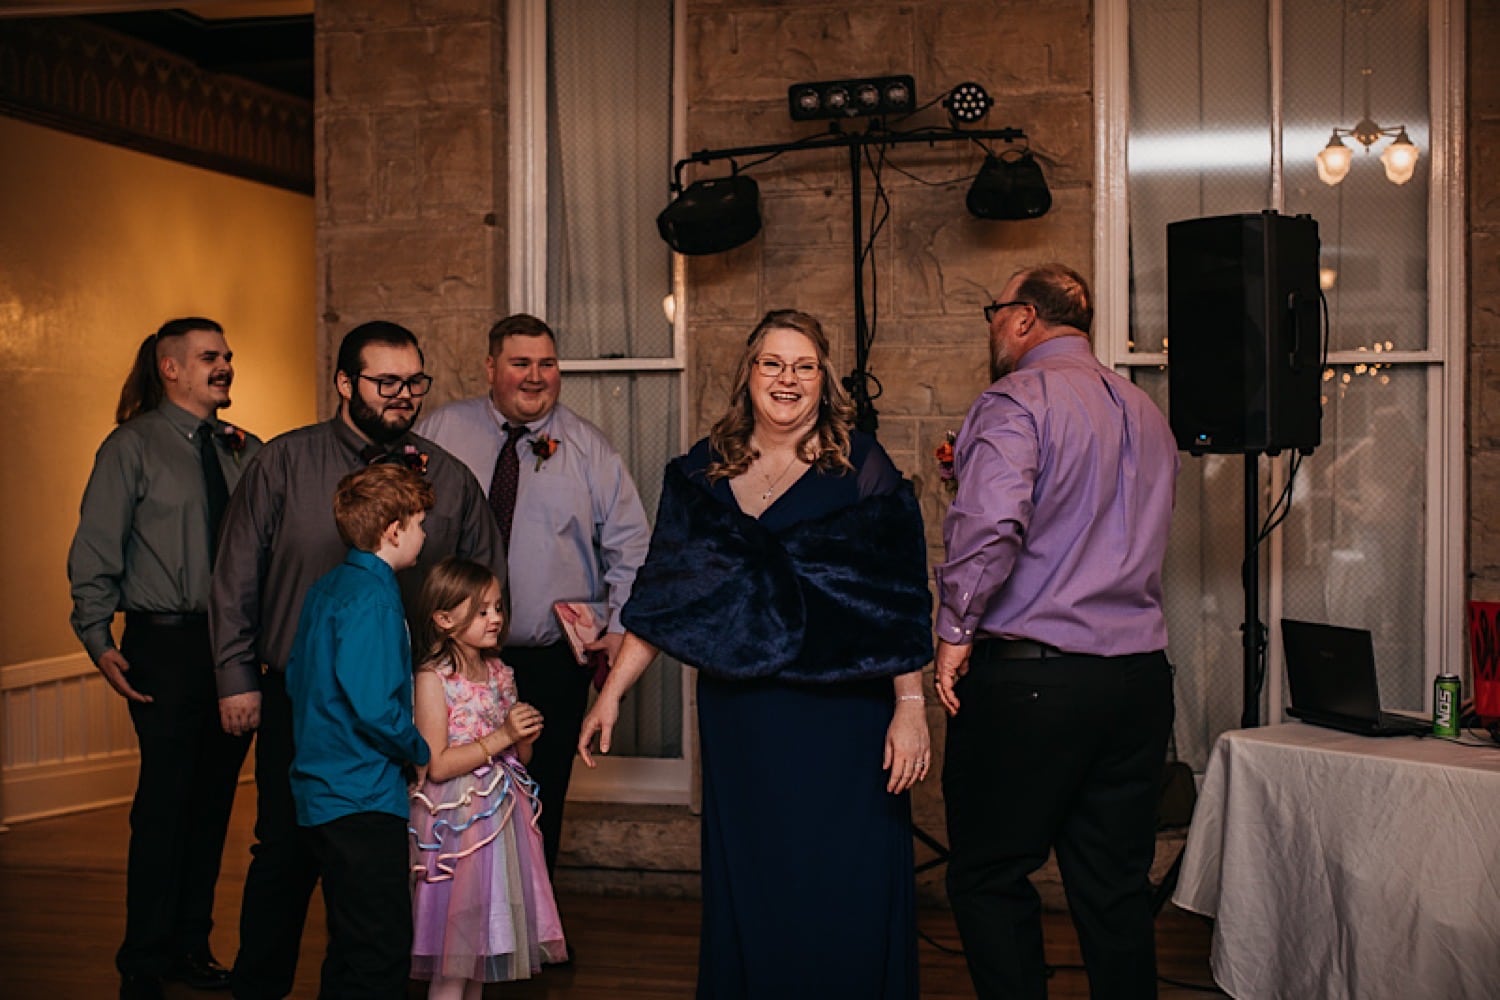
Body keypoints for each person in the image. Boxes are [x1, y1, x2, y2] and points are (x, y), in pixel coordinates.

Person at [577, 309, 933, 999]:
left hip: (843, 719)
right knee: (757, 880)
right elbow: (664, 596)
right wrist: (612, 692)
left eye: (803, 366)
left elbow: (898, 600)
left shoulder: (861, 465)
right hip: (743, 716)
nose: (787, 379)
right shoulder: (700, 474)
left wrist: (909, 707)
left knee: (843, 880)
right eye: (773, 363)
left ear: (823, 379)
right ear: (749, 372)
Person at [211, 320, 505, 1000]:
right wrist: (236, 677)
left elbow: (486, 583)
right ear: (346, 383)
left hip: (413, 711)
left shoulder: (450, 478)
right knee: (286, 858)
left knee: (378, 881)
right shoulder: (284, 463)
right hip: (303, 704)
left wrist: (462, 698)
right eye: (387, 382)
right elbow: (233, 577)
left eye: (415, 382)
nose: (404, 395)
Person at [933, 264, 1178, 1000]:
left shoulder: (1017, 399)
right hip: (1139, 680)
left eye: (992, 311)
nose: (991, 325)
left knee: (989, 874)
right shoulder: (1144, 411)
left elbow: (993, 526)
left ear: (1022, 318)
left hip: (1035, 679)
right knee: (1113, 887)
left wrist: (954, 630)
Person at [68, 317, 259, 1000]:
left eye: (228, 355)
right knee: (164, 807)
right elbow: (95, 549)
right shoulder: (131, 447)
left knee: (212, 808)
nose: (225, 365)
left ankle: (190, 947)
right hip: (167, 644)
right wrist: (98, 639)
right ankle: (143, 960)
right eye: (211, 356)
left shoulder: (245, 450)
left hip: (235, 648)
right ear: (170, 367)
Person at [418, 313, 649, 875]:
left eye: (547, 364)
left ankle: (528, 923)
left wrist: (620, 628)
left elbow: (632, 547)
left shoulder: (589, 448)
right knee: (443, 789)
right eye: (521, 363)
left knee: (536, 796)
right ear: (491, 367)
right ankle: (448, 913)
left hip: (547, 662)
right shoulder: (440, 433)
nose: (535, 376)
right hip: (451, 660)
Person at [284, 463, 434, 998]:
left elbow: (298, 677)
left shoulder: (329, 587)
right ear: (393, 530)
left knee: (349, 945)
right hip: (360, 794)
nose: (424, 535)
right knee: (381, 950)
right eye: (419, 523)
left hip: (323, 788)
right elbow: (374, 707)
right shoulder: (373, 598)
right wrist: (420, 749)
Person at [408, 557, 568, 999]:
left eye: (498, 607)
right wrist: (502, 735)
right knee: (453, 955)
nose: (496, 618)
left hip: (501, 819)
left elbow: (521, 756)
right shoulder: (434, 678)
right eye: (481, 611)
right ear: (444, 619)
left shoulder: (502, 673)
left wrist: (523, 734)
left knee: (480, 952)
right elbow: (436, 763)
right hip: (455, 822)